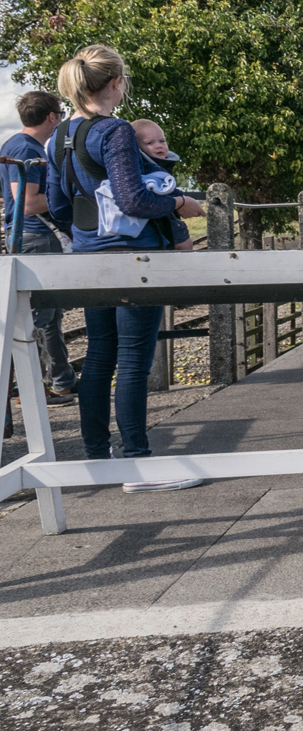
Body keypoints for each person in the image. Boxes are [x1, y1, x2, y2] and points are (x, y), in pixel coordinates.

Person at [46, 45, 205, 491]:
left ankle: (97, 457)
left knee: (99, 355)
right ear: (117, 82)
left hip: (87, 255)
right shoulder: (114, 131)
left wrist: (90, 237)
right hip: (134, 257)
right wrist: (180, 203)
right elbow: (135, 199)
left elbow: (59, 205)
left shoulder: (58, 136)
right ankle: (137, 461)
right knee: (134, 357)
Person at [1, 91, 78, 405]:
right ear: (52, 117)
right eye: (59, 115)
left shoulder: (15, 145)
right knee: (42, 316)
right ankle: (43, 386)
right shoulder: (26, 149)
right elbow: (27, 203)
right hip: (37, 237)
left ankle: (60, 380)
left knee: (47, 314)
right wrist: (70, 197)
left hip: (32, 237)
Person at [130, 119, 193, 250]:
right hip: (161, 214)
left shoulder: (159, 165)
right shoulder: (150, 168)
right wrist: (182, 199)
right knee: (184, 243)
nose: (159, 146)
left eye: (162, 141)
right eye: (150, 143)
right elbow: (167, 189)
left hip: (161, 212)